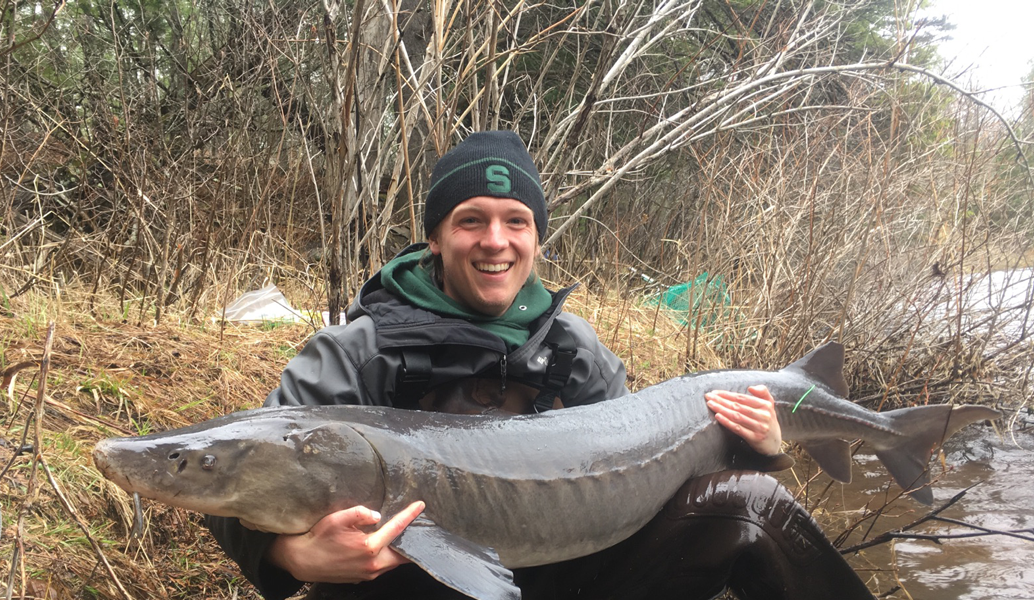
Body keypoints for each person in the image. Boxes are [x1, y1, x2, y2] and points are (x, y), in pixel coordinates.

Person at [206, 131, 874, 600]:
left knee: (751, 504)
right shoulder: (356, 348)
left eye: (515, 221)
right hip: (397, 589)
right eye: (470, 220)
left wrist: (753, 452)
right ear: (435, 237)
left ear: (535, 238)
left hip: (563, 582)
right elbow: (237, 473)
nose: (493, 241)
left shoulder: (574, 351)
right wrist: (290, 555)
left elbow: (649, 487)